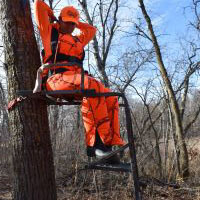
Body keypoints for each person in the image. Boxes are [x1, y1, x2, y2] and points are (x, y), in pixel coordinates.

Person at [34, 0, 125, 163]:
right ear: (60, 20)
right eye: (67, 23)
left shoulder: (78, 40)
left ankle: (109, 147)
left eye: (73, 24)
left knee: (111, 96)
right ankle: (97, 146)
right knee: (92, 84)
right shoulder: (49, 32)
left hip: (78, 80)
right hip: (56, 79)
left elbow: (91, 29)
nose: (70, 27)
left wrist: (76, 21)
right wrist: (55, 18)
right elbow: (39, 5)